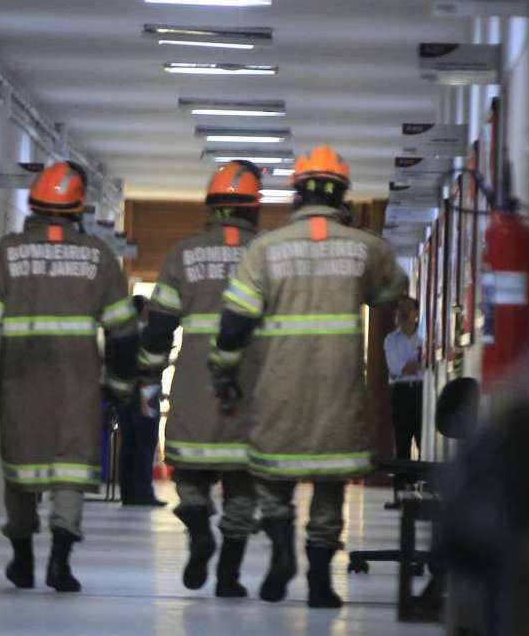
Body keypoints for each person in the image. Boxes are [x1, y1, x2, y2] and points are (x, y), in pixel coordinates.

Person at [208, 146, 407, 606]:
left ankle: (281, 552)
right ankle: (320, 582)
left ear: (296, 193)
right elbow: (393, 290)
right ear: (342, 195)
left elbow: (234, 322)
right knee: (329, 483)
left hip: (278, 384)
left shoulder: (265, 249)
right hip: (338, 387)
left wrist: (223, 371)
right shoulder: (364, 246)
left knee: (275, 476)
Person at [0, 162, 138, 593]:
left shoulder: (8, 253)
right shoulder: (99, 257)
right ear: (78, 209)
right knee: (70, 472)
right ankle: (60, 561)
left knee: (21, 470)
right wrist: (122, 385)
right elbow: (124, 335)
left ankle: (21, 556)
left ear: (33, 204)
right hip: (78, 389)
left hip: (19, 384)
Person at [137, 161, 264, 597]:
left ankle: (198, 528)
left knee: (190, 472)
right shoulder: (268, 253)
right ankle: (229, 575)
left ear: (211, 207)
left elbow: (157, 329)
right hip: (252, 387)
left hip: (194, 382)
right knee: (243, 485)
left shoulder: (183, 253)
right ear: (253, 208)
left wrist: (149, 378)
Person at [119, 294, 166, 507]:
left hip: (125, 393)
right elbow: (152, 364)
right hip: (147, 392)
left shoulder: (122, 333)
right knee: (146, 442)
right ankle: (144, 493)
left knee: (128, 443)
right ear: (143, 308)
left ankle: (128, 493)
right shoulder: (147, 334)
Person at [383, 296, 424, 509]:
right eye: (400, 309)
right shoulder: (390, 340)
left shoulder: (424, 337)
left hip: (420, 392)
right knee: (402, 443)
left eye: (407, 309)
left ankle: (420, 493)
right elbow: (396, 368)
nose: (403, 313)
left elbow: (424, 364)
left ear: (416, 313)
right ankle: (400, 496)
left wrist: (413, 366)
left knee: (421, 441)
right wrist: (415, 365)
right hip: (400, 393)